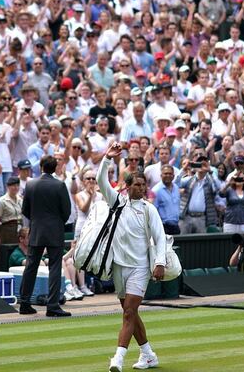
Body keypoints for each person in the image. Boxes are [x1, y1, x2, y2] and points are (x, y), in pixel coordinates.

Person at [96, 142, 166, 372]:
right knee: (131, 313)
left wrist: (159, 262)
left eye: (143, 184)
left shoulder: (149, 209)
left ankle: (117, 359)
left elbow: (160, 237)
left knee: (128, 312)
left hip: (139, 267)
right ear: (126, 187)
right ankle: (148, 354)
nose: (141, 188)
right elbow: (100, 181)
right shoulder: (117, 202)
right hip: (119, 266)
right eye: (137, 184)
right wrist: (107, 158)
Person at [17, 155, 73, 317]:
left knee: (31, 266)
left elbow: (25, 210)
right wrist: (57, 222)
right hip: (54, 230)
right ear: (55, 167)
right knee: (55, 267)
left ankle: (25, 303)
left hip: (36, 230)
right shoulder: (59, 185)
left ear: (41, 166)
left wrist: (36, 220)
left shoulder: (31, 184)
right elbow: (66, 211)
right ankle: (53, 305)